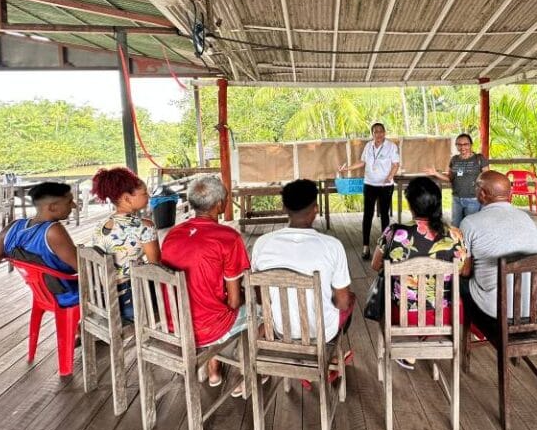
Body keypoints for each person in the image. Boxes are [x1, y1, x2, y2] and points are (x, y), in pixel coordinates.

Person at [371, 176, 470, 370]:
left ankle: (402, 348)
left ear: (410, 205)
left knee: (384, 299)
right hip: (446, 313)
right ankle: (425, 338)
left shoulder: (394, 232)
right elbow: (465, 271)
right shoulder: (454, 234)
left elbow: (376, 266)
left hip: (404, 314)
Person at [161, 175, 250, 388]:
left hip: (175, 325)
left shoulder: (172, 235)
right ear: (219, 205)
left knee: (212, 300)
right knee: (263, 310)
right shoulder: (228, 238)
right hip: (207, 330)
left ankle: (214, 370)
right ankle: (242, 374)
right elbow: (234, 302)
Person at [252, 179, 355, 343]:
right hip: (322, 333)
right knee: (350, 299)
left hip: (280, 330)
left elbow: (259, 298)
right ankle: (332, 355)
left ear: (284, 208)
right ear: (316, 209)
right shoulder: (332, 246)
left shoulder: (262, 244)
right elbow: (342, 303)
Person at [460, 171, 537, 334]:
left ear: (482, 193)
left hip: (498, 310)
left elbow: (466, 271)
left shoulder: (469, 223)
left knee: (460, 281)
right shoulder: (526, 218)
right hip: (536, 305)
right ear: (510, 193)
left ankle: (477, 329)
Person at [0, 182, 79, 307]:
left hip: (44, 294)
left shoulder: (14, 227)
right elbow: (81, 267)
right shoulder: (54, 231)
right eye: (69, 202)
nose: (74, 206)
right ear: (53, 207)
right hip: (68, 295)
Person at [90, 167, 160, 321]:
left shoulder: (101, 225)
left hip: (104, 300)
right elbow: (156, 266)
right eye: (144, 193)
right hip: (131, 303)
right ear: (127, 198)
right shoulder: (144, 226)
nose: (148, 196)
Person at [339, 122, 400, 260]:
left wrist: (389, 177)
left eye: (381, 131)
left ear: (384, 132)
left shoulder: (391, 146)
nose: (378, 134)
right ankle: (365, 246)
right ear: (372, 134)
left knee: (384, 215)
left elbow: (396, 165)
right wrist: (347, 169)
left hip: (385, 186)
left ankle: (385, 245)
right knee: (367, 215)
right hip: (370, 184)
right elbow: (362, 162)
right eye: (375, 132)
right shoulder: (368, 146)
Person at [424, 133, 489, 227]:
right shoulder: (454, 159)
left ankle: (468, 242)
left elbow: (487, 177)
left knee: (470, 226)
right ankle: (457, 241)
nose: (462, 147)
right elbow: (450, 178)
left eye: (465, 144)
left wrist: (484, 195)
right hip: (457, 199)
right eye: (459, 144)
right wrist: (435, 173)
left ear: (471, 144)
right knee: (455, 225)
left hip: (473, 199)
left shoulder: (479, 159)